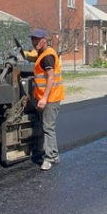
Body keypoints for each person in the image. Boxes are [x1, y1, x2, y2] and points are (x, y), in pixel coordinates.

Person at [30, 28, 65, 171]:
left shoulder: (47, 56)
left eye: (38, 39)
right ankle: (55, 155)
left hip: (51, 98)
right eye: (33, 39)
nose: (35, 42)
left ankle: (49, 158)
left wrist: (44, 99)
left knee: (48, 128)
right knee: (49, 127)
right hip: (50, 96)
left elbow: (50, 77)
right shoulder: (44, 52)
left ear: (45, 39)